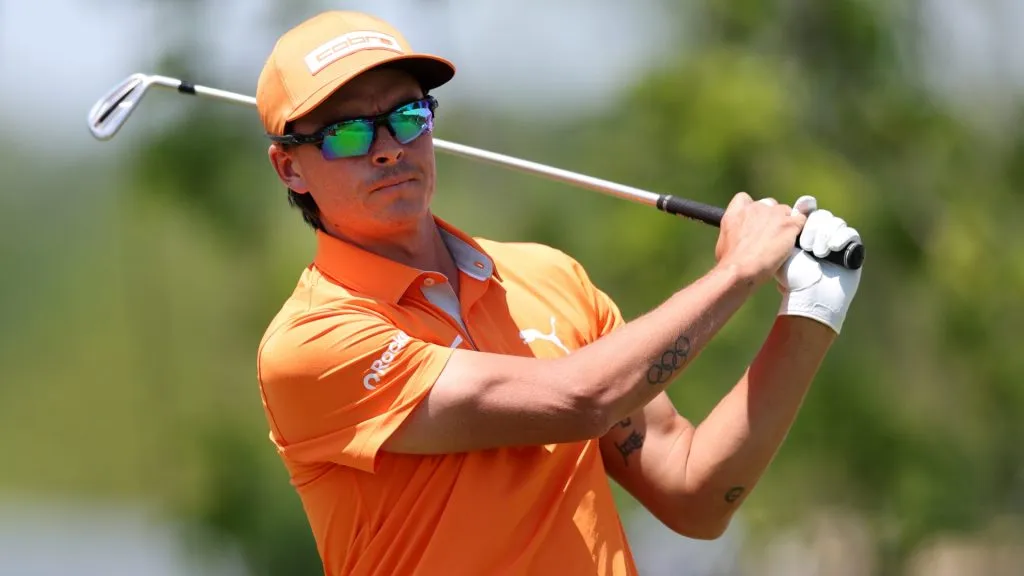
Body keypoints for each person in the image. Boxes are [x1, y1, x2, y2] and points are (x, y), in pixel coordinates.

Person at [254, 10, 863, 576]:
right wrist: (737, 273)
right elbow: (579, 400)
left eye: (408, 116)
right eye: (347, 135)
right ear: (290, 168)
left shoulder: (548, 278)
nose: (389, 147)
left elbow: (694, 494)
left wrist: (811, 310)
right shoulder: (313, 342)